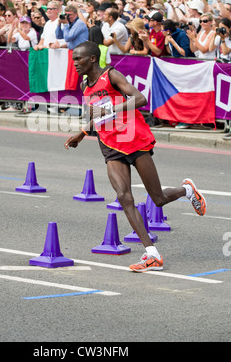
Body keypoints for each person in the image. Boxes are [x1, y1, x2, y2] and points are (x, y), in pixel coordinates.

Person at [64, 41, 206, 272]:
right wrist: (82, 132)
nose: (75, 64)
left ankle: (187, 190)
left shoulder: (111, 76)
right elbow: (98, 116)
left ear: (92, 58)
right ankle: (152, 255)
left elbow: (140, 99)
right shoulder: (84, 85)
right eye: (73, 60)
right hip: (109, 145)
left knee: (158, 198)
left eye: (78, 59)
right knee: (124, 196)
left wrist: (110, 109)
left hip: (134, 139)